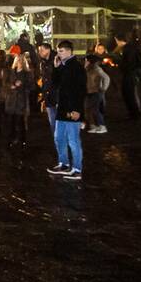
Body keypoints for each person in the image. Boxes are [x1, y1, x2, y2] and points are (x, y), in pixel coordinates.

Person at [47, 40, 86, 181]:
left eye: (61, 51)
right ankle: (63, 163)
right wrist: (56, 68)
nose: (58, 53)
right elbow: (56, 84)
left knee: (73, 140)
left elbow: (80, 90)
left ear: (69, 51)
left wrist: (77, 110)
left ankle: (77, 169)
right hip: (62, 108)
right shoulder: (63, 66)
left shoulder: (77, 67)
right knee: (59, 137)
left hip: (72, 109)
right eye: (58, 51)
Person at [3, 51, 33, 146]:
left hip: (21, 99)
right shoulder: (10, 72)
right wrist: (11, 85)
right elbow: (5, 84)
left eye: (21, 60)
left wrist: (22, 85)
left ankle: (21, 138)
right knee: (11, 120)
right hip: (11, 99)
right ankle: (11, 138)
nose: (19, 62)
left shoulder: (27, 73)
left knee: (20, 120)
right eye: (18, 60)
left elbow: (31, 86)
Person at [115, 34, 141, 119]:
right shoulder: (130, 48)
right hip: (132, 73)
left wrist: (119, 64)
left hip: (130, 74)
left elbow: (128, 63)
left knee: (129, 94)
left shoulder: (128, 49)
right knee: (130, 93)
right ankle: (134, 113)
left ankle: (134, 113)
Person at [84, 54, 109, 134]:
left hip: (96, 92)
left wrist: (103, 88)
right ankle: (93, 125)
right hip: (89, 92)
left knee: (95, 109)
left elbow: (106, 78)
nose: (85, 62)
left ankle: (102, 126)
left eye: (86, 60)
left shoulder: (96, 69)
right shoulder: (88, 69)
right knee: (88, 109)